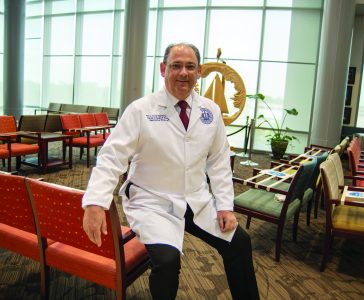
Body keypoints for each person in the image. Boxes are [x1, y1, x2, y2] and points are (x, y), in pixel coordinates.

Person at [82, 42, 260, 300]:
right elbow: (112, 157)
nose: (183, 72)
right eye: (176, 66)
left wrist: (224, 206)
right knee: (167, 261)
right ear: (163, 69)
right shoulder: (141, 110)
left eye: (190, 67)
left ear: (199, 72)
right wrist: (96, 202)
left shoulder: (210, 111)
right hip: (153, 200)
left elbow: (219, 162)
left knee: (240, 244)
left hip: (195, 199)